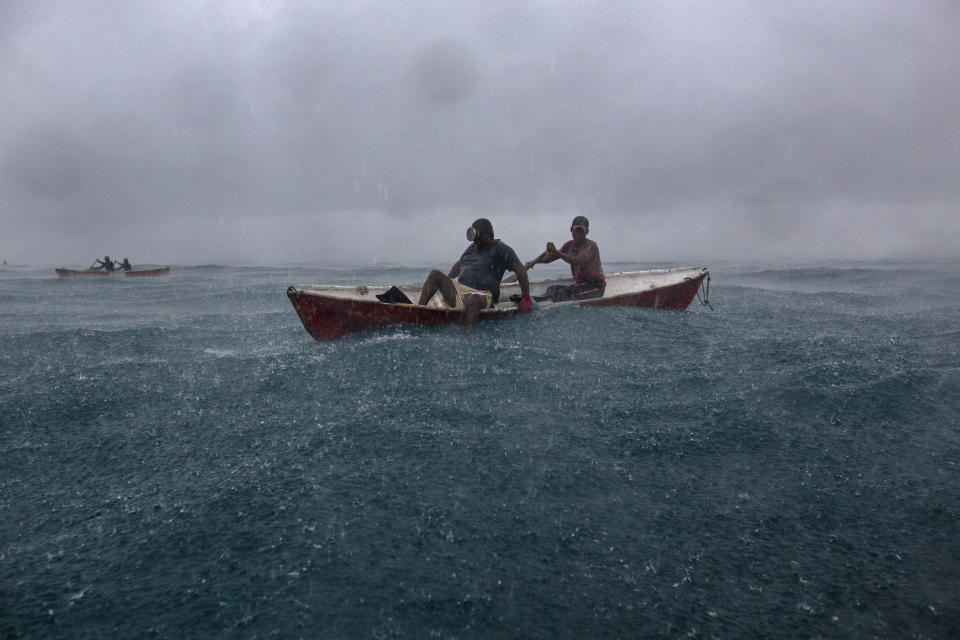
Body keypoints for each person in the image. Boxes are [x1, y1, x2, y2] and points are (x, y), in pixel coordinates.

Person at [417, 218, 532, 333]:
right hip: (461, 292)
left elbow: (521, 270)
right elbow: (459, 264)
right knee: (434, 274)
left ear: (489, 235)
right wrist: (448, 282)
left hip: (483, 295)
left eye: (480, 240)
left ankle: (467, 334)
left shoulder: (501, 249)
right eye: (475, 241)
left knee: (473, 298)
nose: (476, 244)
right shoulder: (471, 248)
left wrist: (526, 298)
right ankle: (418, 313)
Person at [522, 215, 605, 302]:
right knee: (551, 289)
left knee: (564, 293)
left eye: (581, 231)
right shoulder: (568, 245)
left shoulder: (591, 245)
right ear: (571, 229)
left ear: (587, 232)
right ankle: (541, 299)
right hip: (580, 285)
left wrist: (556, 251)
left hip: (596, 286)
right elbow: (549, 259)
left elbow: (577, 261)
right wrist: (534, 262)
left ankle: (540, 300)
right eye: (576, 230)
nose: (578, 233)